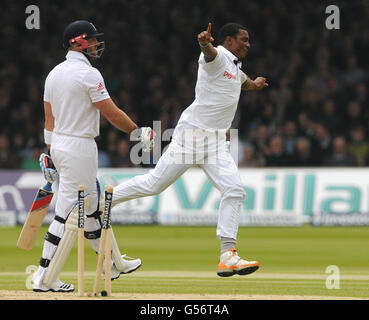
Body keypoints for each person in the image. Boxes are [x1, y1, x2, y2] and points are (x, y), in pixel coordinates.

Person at [111, 22, 268, 277]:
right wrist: (204, 43)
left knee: (234, 190)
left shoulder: (236, 70)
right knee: (154, 185)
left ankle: (228, 255)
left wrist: (256, 83)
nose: (248, 44)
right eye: (244, 39)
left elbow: (244, 83)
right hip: (192, 137)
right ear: (228, 41)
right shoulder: (216, 59)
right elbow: (209, 54)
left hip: (216, 143)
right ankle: (106, 200)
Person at [32, 20, 154, 292]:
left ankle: (115, 263)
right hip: (79, 148)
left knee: (91, 207)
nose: (98, 44)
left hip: (61, 145)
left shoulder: (53, 74)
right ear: (79, 42)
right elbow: (110, 113)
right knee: (68, 214)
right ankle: (43, 277)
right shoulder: (89, 75)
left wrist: (50, 153)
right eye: (94, 40)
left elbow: (49, 121)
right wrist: (137, 131)